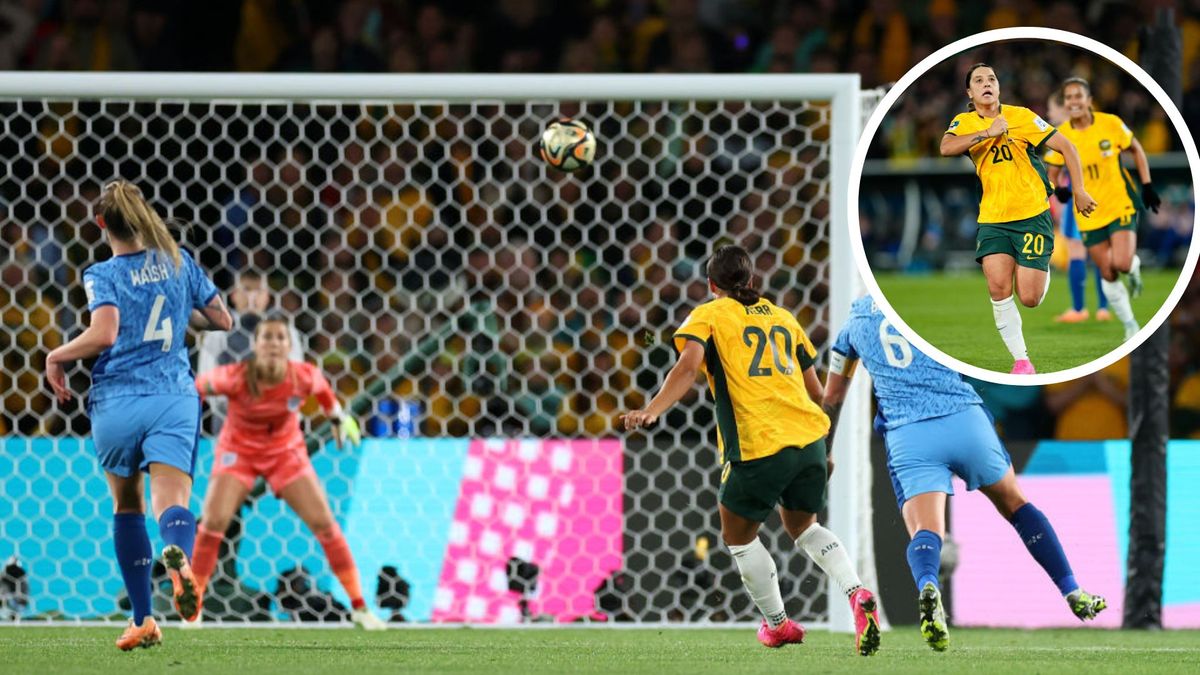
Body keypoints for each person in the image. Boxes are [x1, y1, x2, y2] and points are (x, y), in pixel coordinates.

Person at [621, 245, 881, 656]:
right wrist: (824, 451)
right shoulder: (784, 318)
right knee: (805, 528)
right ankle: (857, 592)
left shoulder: (708, 315)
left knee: (739, 537)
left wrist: (652, 410)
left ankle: (778, 624)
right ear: (752, 281)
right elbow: (819, 396)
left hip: (759, 443)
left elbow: (687, 366)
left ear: (711, 285)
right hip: (809, 440)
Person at [822, 296, 1107, 652]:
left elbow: (832, 396)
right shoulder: (921, 309)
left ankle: (928, 584)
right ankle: (1071, 589)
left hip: (910, 435)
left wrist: (826, 451)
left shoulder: (851, 327)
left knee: (926, 530)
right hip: (964, 419)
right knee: (1016, 504)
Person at [43, 180, 232, 650]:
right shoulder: (177, 260)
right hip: (171, 395)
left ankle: (144, 618)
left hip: (116, 403)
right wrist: (179, 309)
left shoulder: (101, 274)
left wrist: (56, 356)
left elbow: (104, 334)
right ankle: (180, 560)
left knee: (128, 507)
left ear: (101, 223)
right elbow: (222, 319)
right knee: (174, 502)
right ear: (145, 216)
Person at [192, 314, 385, 630]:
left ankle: (360, 608)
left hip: (286, 454)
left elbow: (324, 393)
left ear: (289, 345)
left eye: (280, 338)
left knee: (324, 524)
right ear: (255, 345)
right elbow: (197, 386)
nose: (273, 343)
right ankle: (193, 608)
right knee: (212, 522)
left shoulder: (303, 376)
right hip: (238, 452)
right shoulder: (234, 377)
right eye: (267, 337)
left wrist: (338, 418)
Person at [940, 63, 1097, 374]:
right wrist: (986, 133)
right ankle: (1022, 361)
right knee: (998, 288)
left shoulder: (1022, 117)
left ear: (998, 88)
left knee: (1030, 298)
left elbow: (1066, 146)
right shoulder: (965, 122)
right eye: (979, 80)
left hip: (1032, 215)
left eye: (992, 79)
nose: (987, 83)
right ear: (970, 93)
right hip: (993, 218)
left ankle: (1042, 264)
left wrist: (1078, 189)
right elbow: (946, 147)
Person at [1045, 77, 1161, 340]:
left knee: (1120, 262)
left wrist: (1147, 184)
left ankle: (1132, 264)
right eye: (1069, 97)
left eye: (1078, 96)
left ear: (1089, 101)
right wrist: (1059, 188)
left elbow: (1136, 149)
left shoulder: (1110, 123)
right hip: (1088, 212)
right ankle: (1130, 325)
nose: (1073, 101)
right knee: (1107, 272)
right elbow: (1052, 168)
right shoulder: (1061, 134)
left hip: (1119, 203)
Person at [197, 268, 304, 433]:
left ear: (267, 295)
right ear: (234, 294)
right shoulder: (219, 330)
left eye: (259, 291)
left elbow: (297, 374)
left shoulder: (284, 329)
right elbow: (207, 375)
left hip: (275, 420)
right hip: (230, 423)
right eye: (246, 289)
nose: (252, 298)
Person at [1045, 89, 1110, 323]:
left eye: (1052, 110)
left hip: (1078, 199)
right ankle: (1104, 308)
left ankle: (1079, 308)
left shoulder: (1063, 137)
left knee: (1077, 251)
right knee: (1102, 252)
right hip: (1102, 196)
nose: (1050, 116)